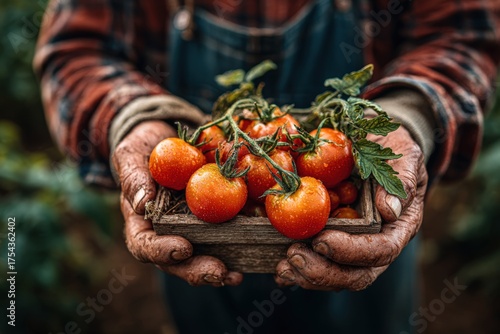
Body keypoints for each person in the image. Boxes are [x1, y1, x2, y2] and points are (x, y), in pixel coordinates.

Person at [34, 0, 500, 333]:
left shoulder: (278, 163)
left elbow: (463, 34)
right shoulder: (228, 167)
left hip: (357, 237)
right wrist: (131, 117)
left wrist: (408, 115)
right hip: (202, 242)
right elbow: (76, 50)